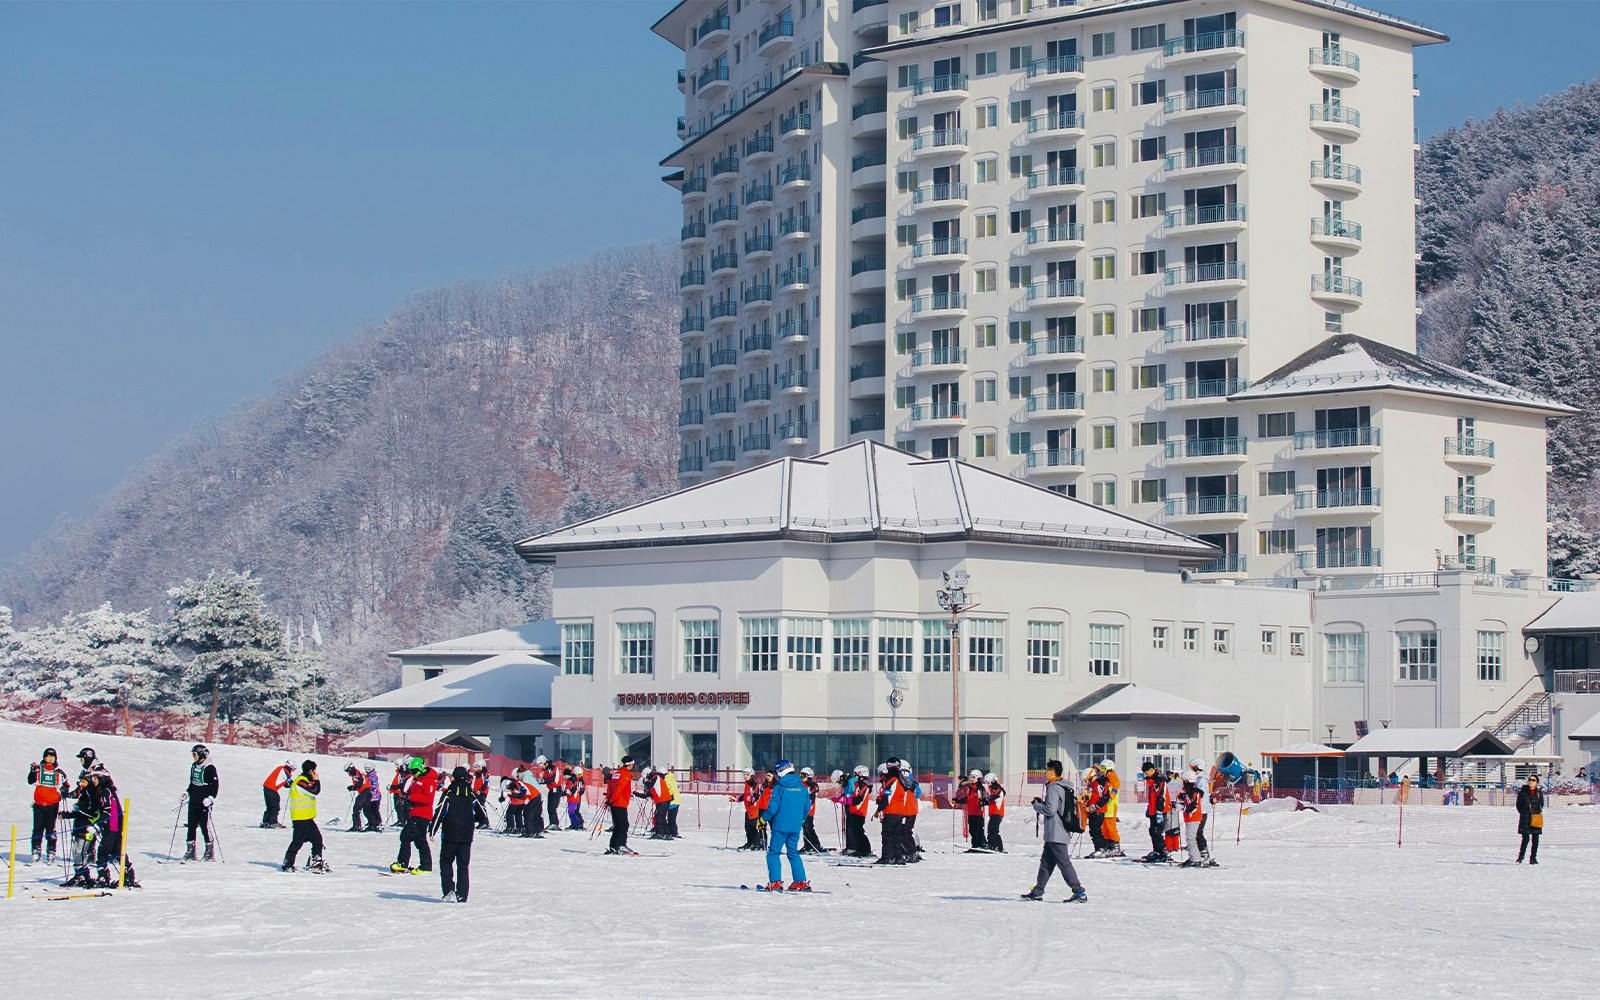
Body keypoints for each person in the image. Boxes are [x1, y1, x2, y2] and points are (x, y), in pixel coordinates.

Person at [1021, 760, 1087, 903]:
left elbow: (1050, 810)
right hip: (1056, 833)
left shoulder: (1053, 788)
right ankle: (1037, 891)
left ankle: (1079, 892)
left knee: (1064, 863)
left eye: (1046, 771)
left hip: (1056, 833)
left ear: (1052, 772)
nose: (1045, 773)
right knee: (1046, 863)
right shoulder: (1063, 786)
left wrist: (1037, 806)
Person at [759, 760, 811, 891]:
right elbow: (807, 806)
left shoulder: (780, 787)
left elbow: (772, 808)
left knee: (773, 853)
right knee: (793, 852)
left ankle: (775, 882)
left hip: (780, 827)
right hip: (795, 827)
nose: (776, 776)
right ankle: (800, 881)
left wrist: (762, 820)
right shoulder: (802, 787)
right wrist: (802, 819)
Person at [432, 766, 477, 902]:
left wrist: (432, 830)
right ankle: (462, 895)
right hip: (466, 837)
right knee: (463, 866)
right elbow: (482, 814)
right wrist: (471, 821)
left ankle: (448, 889)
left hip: (449, 835)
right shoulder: (471, 795)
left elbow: (439, 812)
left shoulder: (448, 794)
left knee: (446, 862)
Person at [390, 757, 437, 874]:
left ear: (420, 769)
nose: (412, 773)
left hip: (422, 814)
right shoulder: (417, 779)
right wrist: (405, 796)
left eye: (414, 771)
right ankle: (425, 866)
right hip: (415, 812)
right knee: (419, 839)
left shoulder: (429, 780)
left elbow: (428, 798)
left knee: (406, 836)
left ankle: (403, 863)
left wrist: (411, 797)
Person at [282, 760, 329, 873]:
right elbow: (315, 791)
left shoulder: (305, 780)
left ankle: (316, 862)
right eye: (314, 771)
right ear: (310, 771)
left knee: (317, 840)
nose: (315, 773)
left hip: (307, 818)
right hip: (300, 818)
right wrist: (317, 780)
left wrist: (314, 780)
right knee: (297, 842)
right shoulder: (300, 781)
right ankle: (287, 864)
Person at [27, 747, 69, 863]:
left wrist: (65, 790)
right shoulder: (39, 770)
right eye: (48, 756)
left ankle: (51, 850)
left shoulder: (59, 772)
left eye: (52, 756)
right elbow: (31, 781)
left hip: (52, 805)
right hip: (39, 804)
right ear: (44, 757)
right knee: (37, 829)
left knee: (51, 829)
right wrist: (32, 771)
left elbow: (65, 784)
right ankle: (36, 850)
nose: (50, 759)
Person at [182, 744, 220, 862]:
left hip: (204, 803)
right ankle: (190, 851)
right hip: (193, 801)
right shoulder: (194, 766)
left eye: (195, 755)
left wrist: (211, 798)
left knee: (204, 826)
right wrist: (187, 793)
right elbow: (192, 783)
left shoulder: (210, 768)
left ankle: (209, 851)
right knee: (191, 826)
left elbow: (215, 785)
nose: (194, 757)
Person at [604, 756, 639, 855]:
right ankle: (621, 845)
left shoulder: (617, 773)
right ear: (630, 764)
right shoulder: (625, 774)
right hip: (620, 802)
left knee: (617, 825)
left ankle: (614, 845)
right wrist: (612, 799)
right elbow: (619, 788)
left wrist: (609, 799)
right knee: (623, 825)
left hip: (614, 803)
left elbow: (611, 786)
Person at [1140, 761, 1170, 863]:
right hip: (1153, 810)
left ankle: (1163, 852)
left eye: (1147, 771)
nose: (1145, 774)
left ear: (1152, 769)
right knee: (1153, 831)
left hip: (1160, 810)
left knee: (1157, 831)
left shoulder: (1159, 780)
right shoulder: (1151, 781)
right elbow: (1152, 797)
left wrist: (1159, 811)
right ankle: (1156, 850)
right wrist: (1150, 809)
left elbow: (1161, 796)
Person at [842, 765, 874, 857]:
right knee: (855, 831)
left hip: (859, 811)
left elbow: (859, 799)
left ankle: (865, 849)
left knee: (858, 831)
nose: (854, 776)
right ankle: (860, 848)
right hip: (854, 810)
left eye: (856, 774)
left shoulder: (864, 785)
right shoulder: (859, 785)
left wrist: (847, 801)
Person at [955, 770, 989, 852]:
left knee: (978, 830)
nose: (971, 779)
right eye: (970, 777)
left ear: (978, 778)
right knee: (972, 830)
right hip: (971, 813)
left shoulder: (980, 788)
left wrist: (983, 801)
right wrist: (958, 801)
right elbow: (967, 799)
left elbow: (987, 799)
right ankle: (975, 845)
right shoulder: (970, 788)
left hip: (978, 813)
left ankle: (979, 845)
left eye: (974, 777)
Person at [1516, 774, 1544, 864]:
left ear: (1537, 782)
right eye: (1530, 780)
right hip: (1525, 818)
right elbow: (1518, 806)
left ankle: (1533, 858)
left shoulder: (1539, 794)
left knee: (1535, 839)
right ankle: (1521, 856)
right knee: (1525, 839)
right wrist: (1525, 813)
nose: (1531, 782)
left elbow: (1541, 805)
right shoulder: (1522, 793)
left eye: (1533, 780)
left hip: (1536, 818)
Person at [733, 769, 762, 850]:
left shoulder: (754, 784)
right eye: (744, 775)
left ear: (751, 775)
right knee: (747, 827)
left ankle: (757, 844)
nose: (745, 776)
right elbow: (745, 796)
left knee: (752, 827)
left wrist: (754, 799)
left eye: (747, 774)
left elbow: (756, 794)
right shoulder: (747, 784)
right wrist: (737, 799)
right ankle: (750, 842)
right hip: (748, 809)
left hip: (753, 809)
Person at [1099, 759, 1123, 857]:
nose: (1102, 770)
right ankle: (1109, 845)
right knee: (1104, 827)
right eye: (1101, 768)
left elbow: (1116, 784)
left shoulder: (1111, 775)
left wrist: (1112, 794)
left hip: (1111, 805)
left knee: (1110, 826)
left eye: (1104, 768)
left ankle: (1116, 846)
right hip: (1106, 806)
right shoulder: (1105, 777)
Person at [799, 767, 825, 853]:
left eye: (803, 775)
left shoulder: (813, 785)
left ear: (809, 776)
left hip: (809, 810)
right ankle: (807, 845)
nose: (801, 777)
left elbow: (812, 798)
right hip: (801, 810)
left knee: (809, 827)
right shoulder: (801, 785)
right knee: (804, 828)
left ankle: (816, 845)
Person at [260, 760, 293, 829]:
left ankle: (266, 821)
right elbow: (289, 782)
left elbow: (285, 784)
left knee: (270, 806)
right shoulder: (284, 771)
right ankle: (272, 822)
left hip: (267, 787)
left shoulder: (280, 769)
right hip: (272, 788)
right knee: (275, 806)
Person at [345, 763, 377, 832]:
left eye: (348, 771)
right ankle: (373, 825)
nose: (348, 773)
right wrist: (353, 787)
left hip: (364, 792)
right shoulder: (356, 773)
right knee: (366, 809)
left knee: (356, 809)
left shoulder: (357, 773)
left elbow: (361, 782)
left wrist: (354, 787)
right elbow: (360, 783)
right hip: (367, 791)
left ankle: (357, 826)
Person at [539, 756, 564, 832]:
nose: (541, 767)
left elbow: (553, 779)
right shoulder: (546, 770)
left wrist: (544, 781)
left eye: (541, 765)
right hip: (551, 789)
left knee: (552, 807)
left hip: (556, 789)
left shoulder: (552, 768)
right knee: (549, 807)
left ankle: (554, 823)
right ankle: (553, 822)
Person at [646, 765, 672, 839]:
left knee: (659, 817)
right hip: (663, 799)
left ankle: (660, 833)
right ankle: (667, 833)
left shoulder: (656, 778)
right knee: (662, 817)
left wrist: (646, 784)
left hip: (662, 800)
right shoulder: (659, 778)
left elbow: (650, 785)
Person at [984, 773, 1006, 853]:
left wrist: (987, 797)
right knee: (993, 829)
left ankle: (992, 845)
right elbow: (990, 800)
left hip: (997, 813)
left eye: (988, 782)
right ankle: (999, 847)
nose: (988, 785)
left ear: (993, 781)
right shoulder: (992, 789)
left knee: (992, 830)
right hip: (993, 813)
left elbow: (995, 797)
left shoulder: (999, 789)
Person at [662, 765, 682, 838]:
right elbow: (678, 789)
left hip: (671, 801)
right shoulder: (672, 779)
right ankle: (673, 832)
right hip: (677, 801)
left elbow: (668, 790)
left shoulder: (666, 780)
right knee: (672, 819)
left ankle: (672, 833)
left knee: (670, 819)